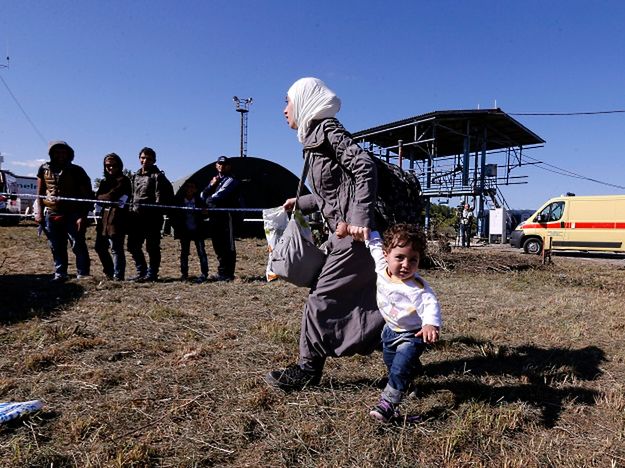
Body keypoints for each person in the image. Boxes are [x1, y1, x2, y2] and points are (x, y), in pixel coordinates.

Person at [264, 77, 384, 390]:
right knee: (371, 302)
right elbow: (334, 191)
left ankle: (307, 370)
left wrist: (359, 218)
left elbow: (364, 167)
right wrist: (300, 202)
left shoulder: (328, 130)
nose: (284, 110)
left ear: (305, 101)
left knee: (322, 298)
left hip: (353, 236)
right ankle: (404, 355)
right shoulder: (316, 139)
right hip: (348, 235)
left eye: (287, 101)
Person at [365, 224, 442, 422]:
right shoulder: (381, 267)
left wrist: (430, 324)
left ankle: (388, 405)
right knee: (393, 366)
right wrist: (368, 231)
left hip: (412, 334)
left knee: (399, 367)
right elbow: (374, 244)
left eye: (413, 260)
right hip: (390, 331)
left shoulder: (418, 287)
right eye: (399, 257)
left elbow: (430, 303)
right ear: (387, 255)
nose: (406, 264)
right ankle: (408, 383)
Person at [35, 140, 93, 282]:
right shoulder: (43, 169)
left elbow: (87, 195)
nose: (60, 154)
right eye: (57, 151)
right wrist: (39, 212)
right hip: (52, 212)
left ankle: (83, 274)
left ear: (69, 153)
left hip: (73, 213)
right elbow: (40, 193)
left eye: (63, 151)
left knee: (77, 244)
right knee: (56, 245)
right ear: (51, 153)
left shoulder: (77, 171)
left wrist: (83, 216)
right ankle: (60, 273)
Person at [127, 147, 173, 282]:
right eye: (142, 157)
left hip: (152, 217)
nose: (145, 160)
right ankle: (141, 271)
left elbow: (164, 196)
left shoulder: (158, 176)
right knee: (132, 245)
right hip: (136, 217)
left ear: (154, 160)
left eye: (148, 158)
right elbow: (132, 195)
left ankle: (152, 274)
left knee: (152, 247)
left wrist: (158, 209)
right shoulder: (135, 176)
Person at [200, 156, 240, 282]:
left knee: (227, 245)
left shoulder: (231, 180)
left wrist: (206, 202)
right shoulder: (215, 180)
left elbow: (218, 196)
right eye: (219, 164)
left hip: (226, 216)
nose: (222, 166)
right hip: (214, 216)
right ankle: (221, 272)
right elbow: (202, 194)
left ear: (229, 166)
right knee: (217, 244)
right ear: (216, 165)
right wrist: (211, 186)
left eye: (225, 164)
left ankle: (228, 273)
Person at [94, 153, 131, 281]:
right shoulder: (104, 182)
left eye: (114, 165)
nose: (110, 168)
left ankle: (118, 276)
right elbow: (98, 198)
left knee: (116, 248)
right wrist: (103, 198)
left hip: (117, 219)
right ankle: (109, 271)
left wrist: (103, 198)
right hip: (104, 220)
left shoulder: (124, 180)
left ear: (119, 166)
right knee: (99, 247)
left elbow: (110, 196)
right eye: (107, 166)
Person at [172, 180, 209, 283]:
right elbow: (174, 216)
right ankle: (184, 274)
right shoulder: (179, 201)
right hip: (184, 231)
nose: (189, 189)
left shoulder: (199, 201)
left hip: (198, 230)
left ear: (195, 189)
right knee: (184, 253)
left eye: (192, 187)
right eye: (187, 186)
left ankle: (204, 273)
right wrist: (177, 228)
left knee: (202, 252)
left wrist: (205, 212)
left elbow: (206, 214)